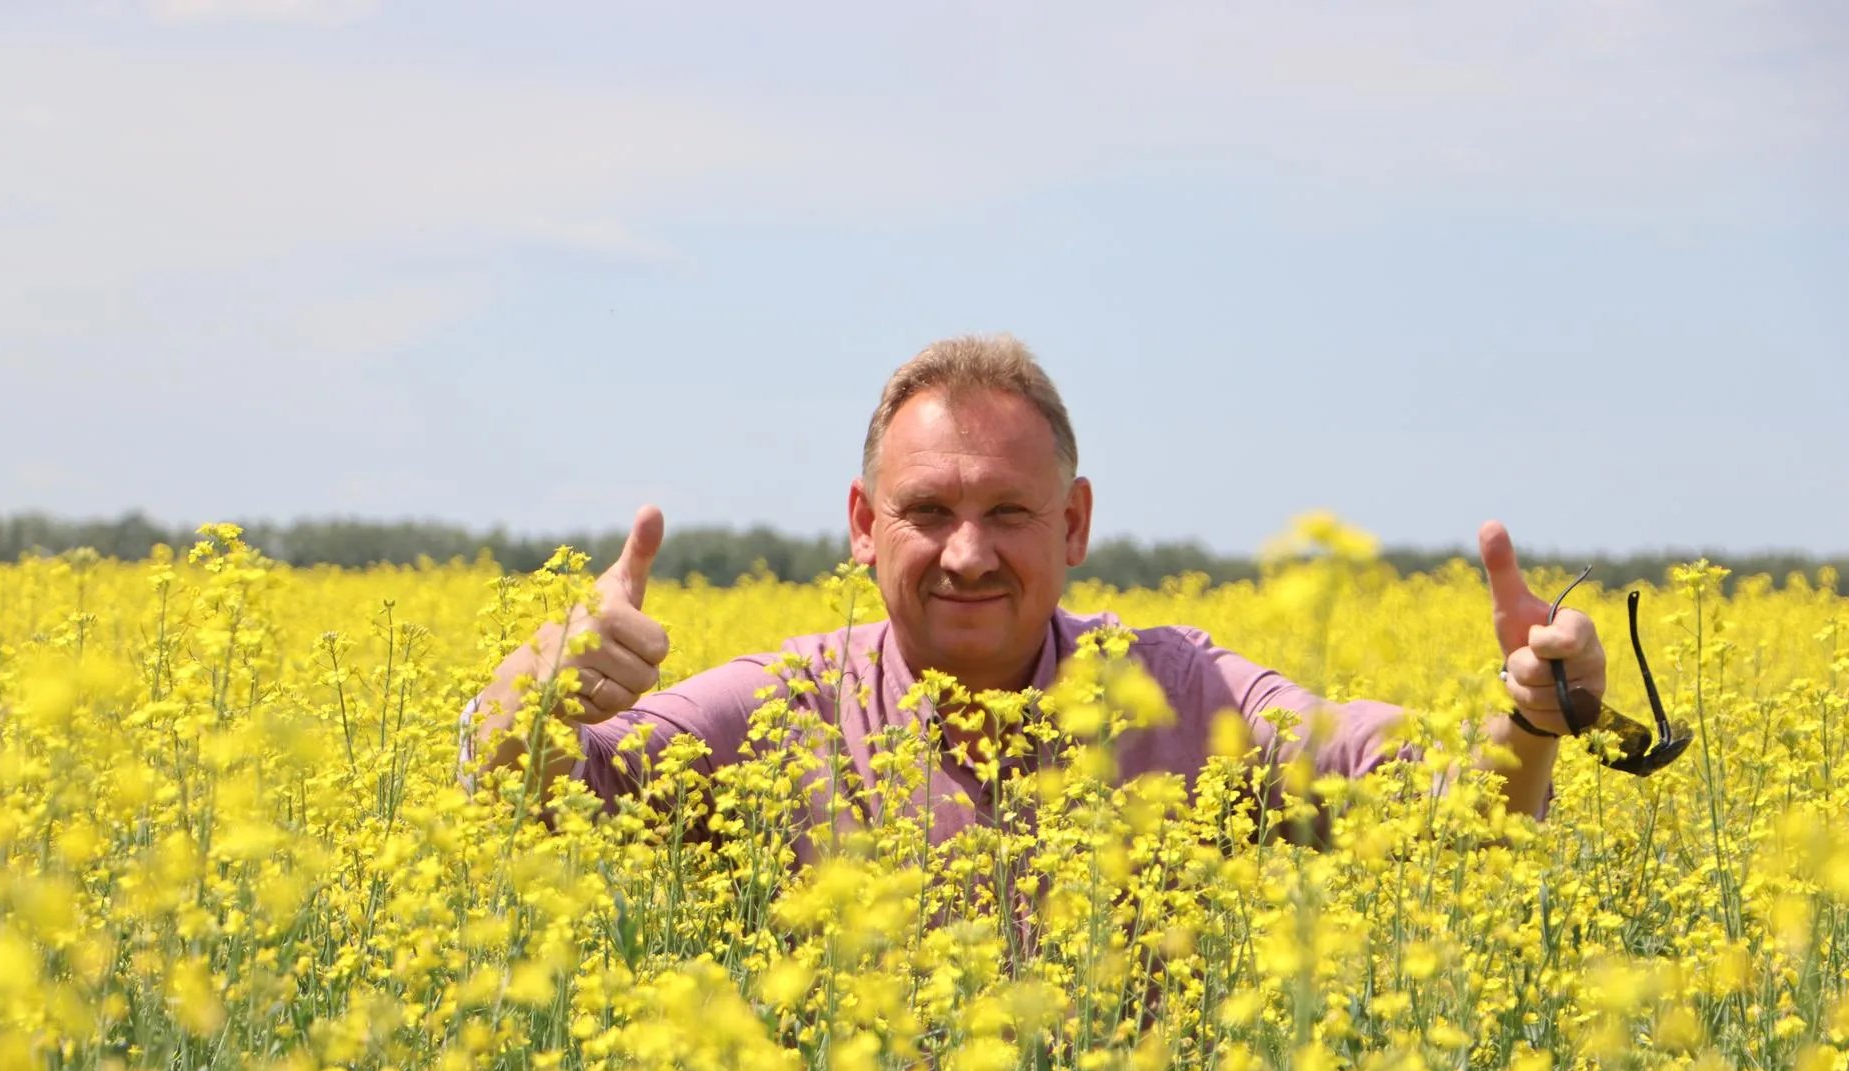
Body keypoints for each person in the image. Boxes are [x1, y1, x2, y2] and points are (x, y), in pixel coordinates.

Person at [460, 334, 1603, 838]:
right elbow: (522, 799)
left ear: (1076, 524)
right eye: (926, 512)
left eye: (1008, 511)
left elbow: (1429, 794)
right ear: (864, 527)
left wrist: (1533, 713)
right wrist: (537, 688)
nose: (966, 552)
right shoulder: (773, 713)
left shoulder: (1181, 694)